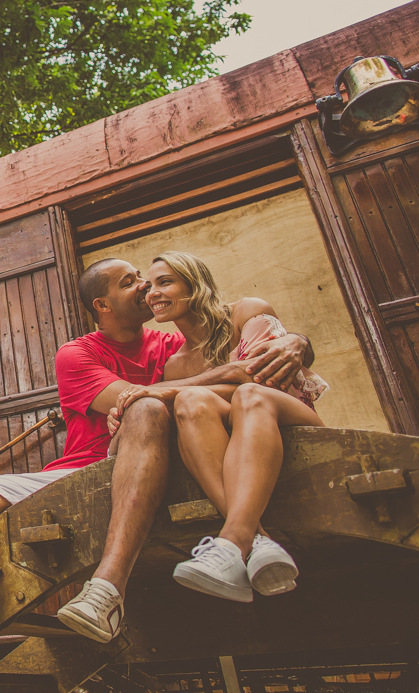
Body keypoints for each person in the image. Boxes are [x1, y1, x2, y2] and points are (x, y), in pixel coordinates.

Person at [0, 258, 312, 693]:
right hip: (85, 469)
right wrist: (219, 374)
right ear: (102, 304)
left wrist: (298, 340)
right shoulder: (77, 354)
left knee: (148, 408)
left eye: (149, 279)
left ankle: (108, 590)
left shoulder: (172, 345)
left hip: (164, 462)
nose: (145, 286)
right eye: (131, 282)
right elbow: (130, 402)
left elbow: (193, 376)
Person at [108, 251, 327, 603]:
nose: (153, 294)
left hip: (290, 421)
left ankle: (233, 539)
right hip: (238, 445)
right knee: (191, 402)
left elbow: (260, 378)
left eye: (165, 282)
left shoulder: (246, 312)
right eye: (150, 287)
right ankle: (256, 542)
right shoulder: (177, 363)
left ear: (194, 284)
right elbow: (192, 402)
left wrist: (162, 390)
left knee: (248, 396)